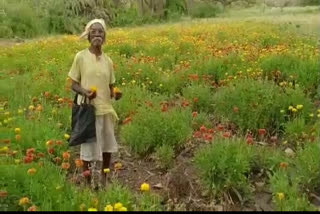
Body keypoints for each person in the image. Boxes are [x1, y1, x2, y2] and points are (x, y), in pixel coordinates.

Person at [68, 19, 119, 189]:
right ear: (88, 35)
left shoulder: (108, 61)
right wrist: (85, 92)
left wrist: (115, 94)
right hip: (88, 109)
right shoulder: (80, 57)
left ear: (104, 37)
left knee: (107, 148)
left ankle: (104, 180)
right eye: (94, 31)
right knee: (88, 151)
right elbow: (73, 83)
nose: (97, 34)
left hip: (105, 109)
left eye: (100, 32)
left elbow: (111, 86)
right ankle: (89, 183)